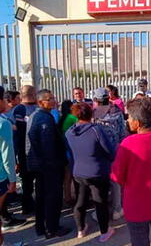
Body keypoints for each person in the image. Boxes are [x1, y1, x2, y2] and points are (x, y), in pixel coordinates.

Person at [111, 99, 151, 246]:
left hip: (136, 206)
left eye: (129, 117)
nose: (127, 120)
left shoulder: (127, 144)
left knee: (139, 241)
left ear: (137, 122)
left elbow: (117, 175)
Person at [66, 102, 116, 242]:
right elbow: (110, 151)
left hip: (78, 172)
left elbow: (70, 153)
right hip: (97, 173)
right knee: (100, 202)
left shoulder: (69, 132)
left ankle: (81, 229)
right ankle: (104, 232)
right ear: (91, 114)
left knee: (80, 201)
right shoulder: (96, 130)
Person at [26, 89, 71, 238]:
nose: (53, 100)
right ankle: (52, 228)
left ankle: (41, 227)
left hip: (39, 165)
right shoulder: (44, 118)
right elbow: (48, 146)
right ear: (40, 102)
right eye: (49, 98)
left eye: (53, 97)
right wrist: (55, 164)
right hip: (48, 166)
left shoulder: (37, 116)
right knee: (52, 197)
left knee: (41, 197)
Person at [91, 87, 126, 221]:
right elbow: (122, 133)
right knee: (115, 181)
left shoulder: (93, 114)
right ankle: (117, 209)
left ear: (96, 100)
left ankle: (99, 210)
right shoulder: (117, 112)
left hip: (98, 152)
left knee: (99, 182)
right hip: (114, 150)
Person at [0, 86, 18, 245]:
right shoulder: (3, 124)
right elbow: (7, 155)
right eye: (4, 99)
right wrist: (13, 180)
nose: (7, 102)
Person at [15, 85, 37, 215]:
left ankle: (31, 203)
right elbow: (21, 131)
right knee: (27, 180)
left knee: (30, 179)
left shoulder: (36, 107)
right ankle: (27, 205)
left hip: (30, 150)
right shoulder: (20, 109)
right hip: (25, 150)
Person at [58, 99, 77, 207]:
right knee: (72, 175)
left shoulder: (61, 119)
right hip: (71, 150)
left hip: (64, 150)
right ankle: (75, 196)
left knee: (67, 176)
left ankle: (67, 196)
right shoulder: (72, 118)